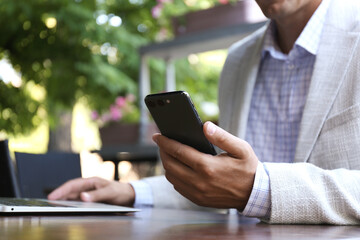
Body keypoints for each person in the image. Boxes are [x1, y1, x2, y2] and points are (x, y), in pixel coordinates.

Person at [48, 0, 360, 224]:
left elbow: (247, 187)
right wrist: (130, 190)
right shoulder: (238, 61)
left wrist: (259, 189)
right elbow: (224, 186)